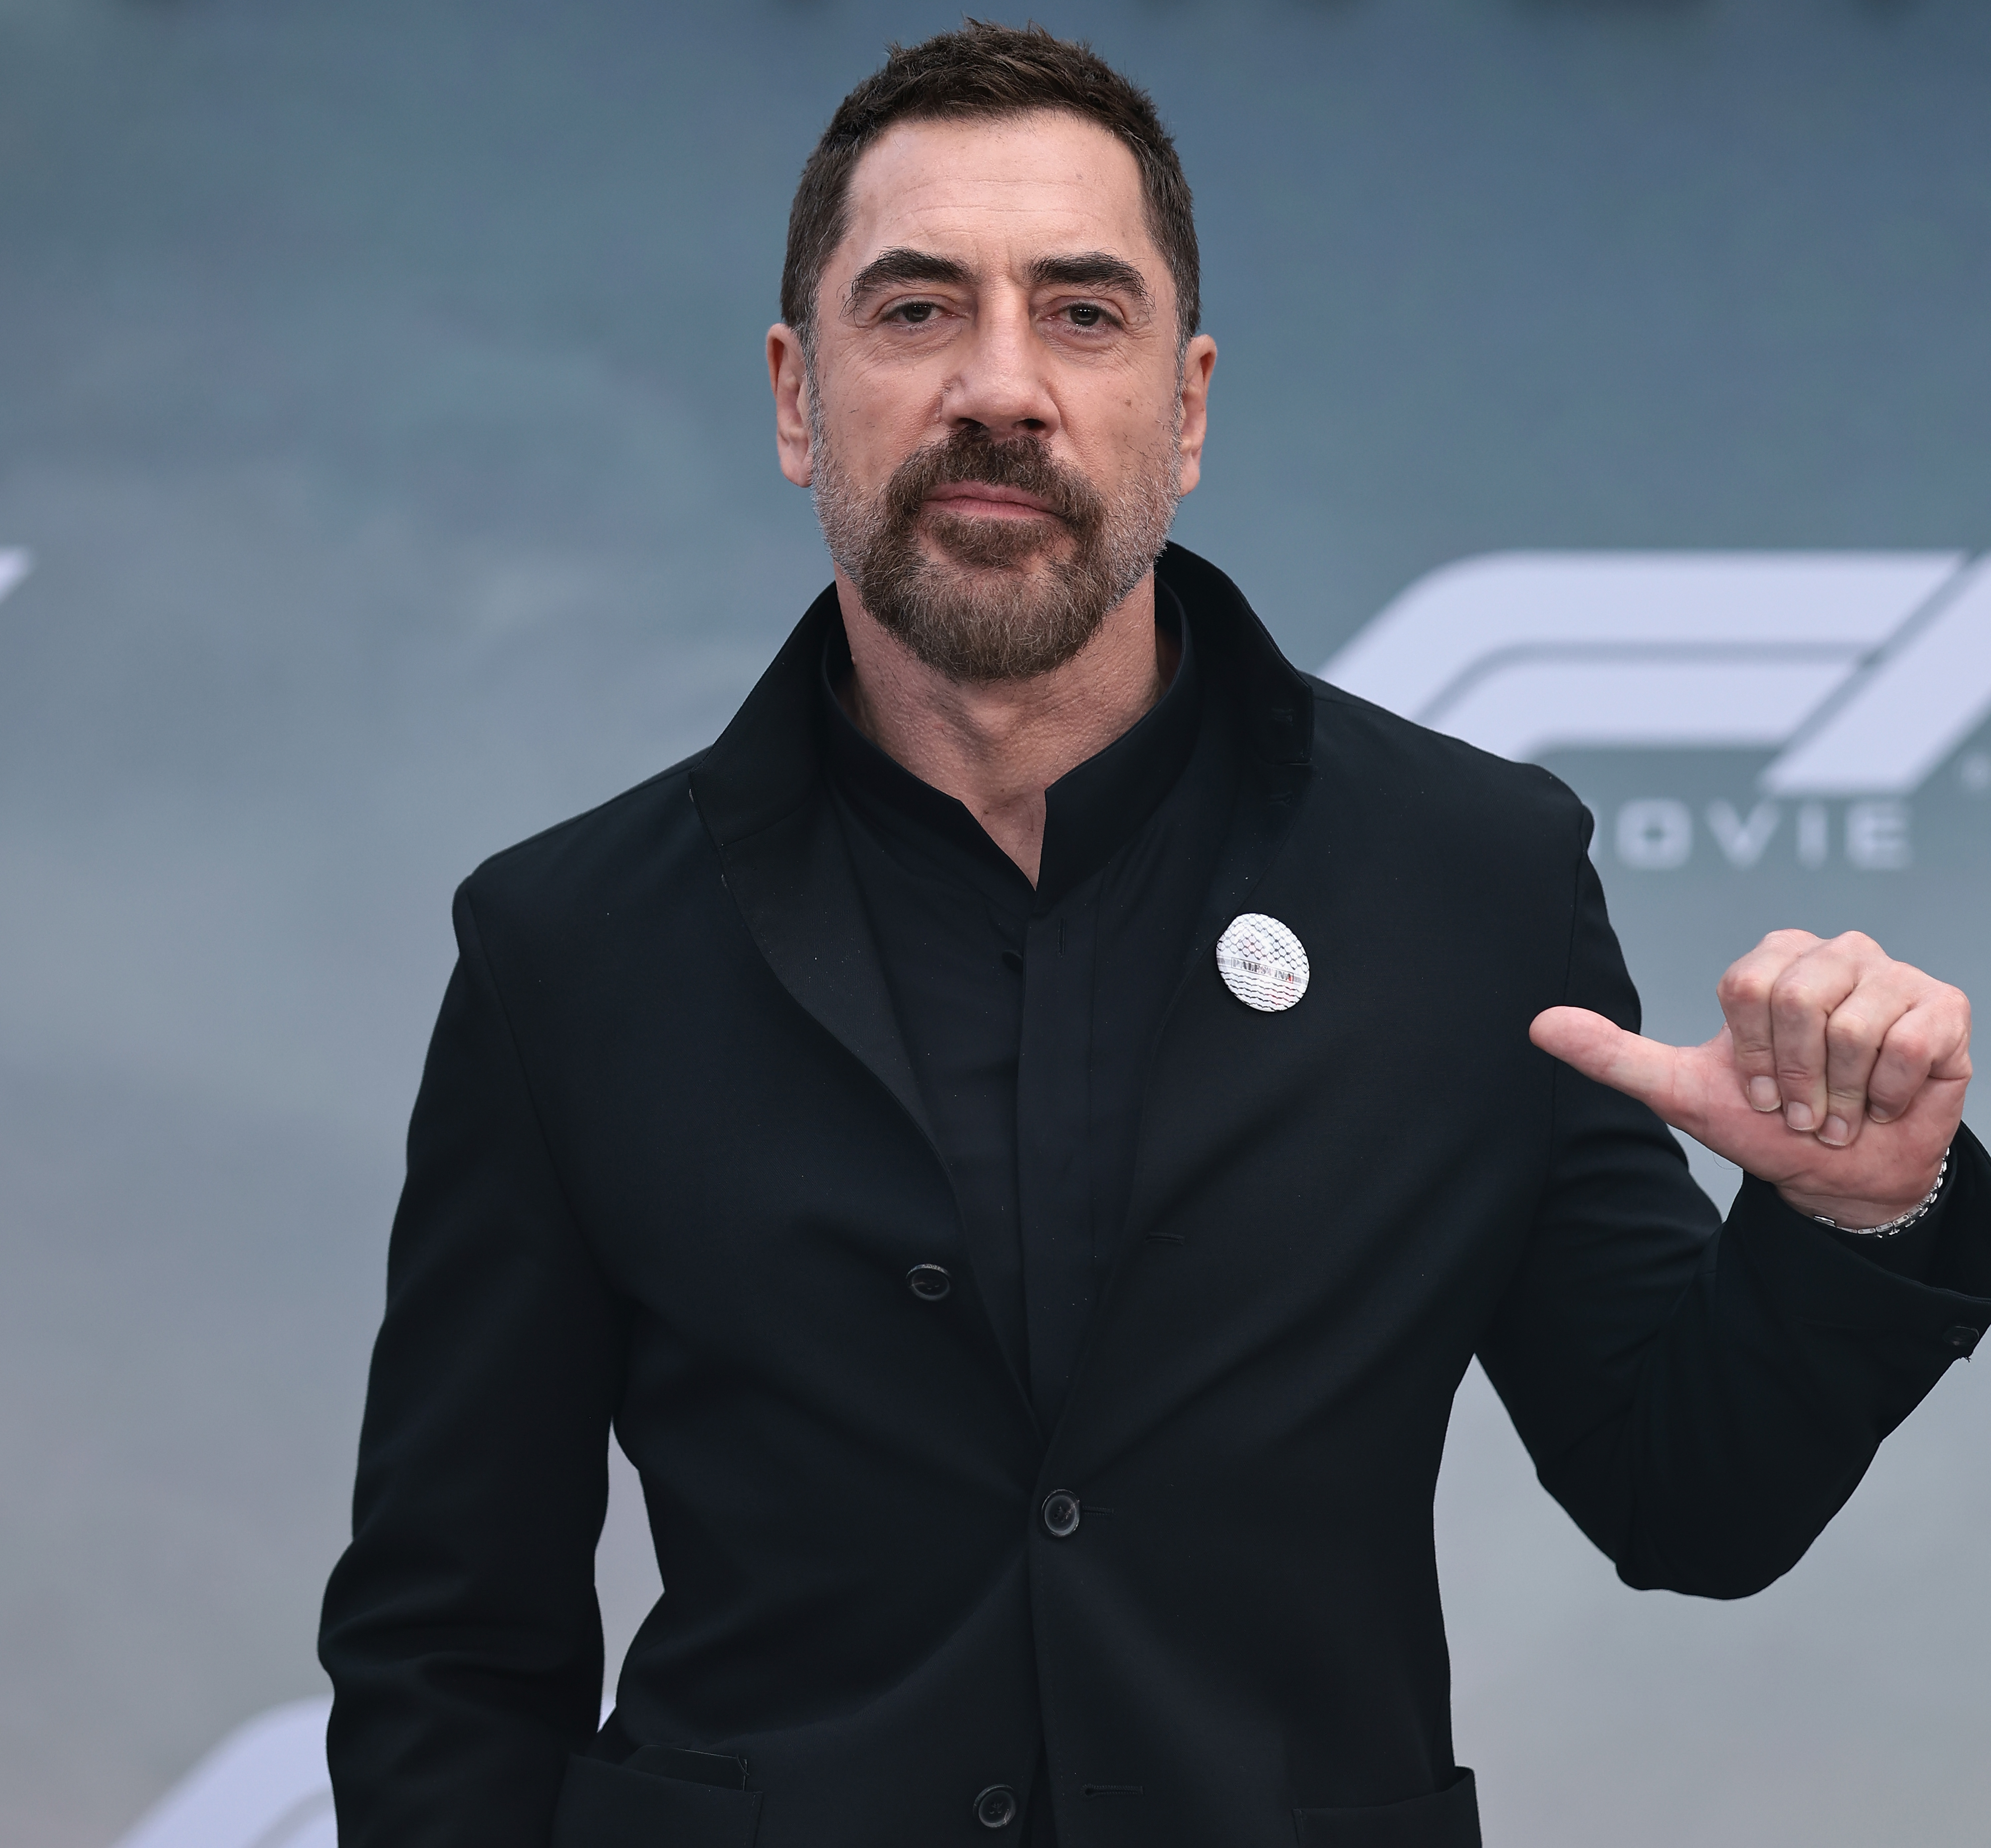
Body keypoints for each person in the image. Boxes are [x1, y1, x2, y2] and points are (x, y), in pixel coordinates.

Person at [318, 23, 1988, 1848]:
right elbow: (452, 1649)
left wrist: (1855, 1213)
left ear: (1185, 410)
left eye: (1084, 313)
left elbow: (1696, 1500)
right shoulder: (571, 947)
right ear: (799, 396)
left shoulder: (1469, 881)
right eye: (917, 311)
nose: (1003, 386)